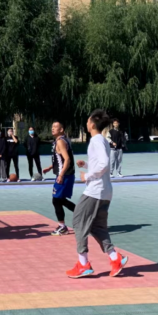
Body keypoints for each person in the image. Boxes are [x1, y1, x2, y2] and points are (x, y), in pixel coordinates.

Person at [67, 110, 128, 278]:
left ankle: (83, 264)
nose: (86, 124)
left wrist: (87, 176)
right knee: (96, 227)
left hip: (95, 190)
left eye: (87, 121)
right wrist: (87, 165)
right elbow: (100, 163)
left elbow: (104, 164)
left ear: (92, 124)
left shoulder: (96, 140)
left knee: (78, 222)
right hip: (104, 191)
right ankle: (115, 258)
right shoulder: (102, 140)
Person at [43, 121, 75, 236]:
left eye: (55, 127)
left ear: (61, 130)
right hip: (66, 174)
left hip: (64, 175)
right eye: (52, 126)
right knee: (60, 200)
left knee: (56, 200)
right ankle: (82, 213)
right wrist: (51, 167)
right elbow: (60, 159)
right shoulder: (62, 140)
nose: (53, 128)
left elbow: (67, 159)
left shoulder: (60, 141)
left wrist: (61, 175)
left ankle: (62, 227)